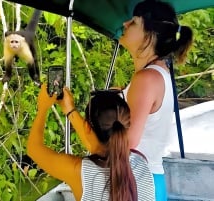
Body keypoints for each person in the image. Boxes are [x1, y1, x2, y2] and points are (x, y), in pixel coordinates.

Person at [61, 1, 193, 200]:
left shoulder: (146, 79)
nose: (124, 25)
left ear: (150, 34)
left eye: (133, 23)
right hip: (145, 180)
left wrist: (70, 111)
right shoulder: (156, 74)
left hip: (138, 184)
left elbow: (124, 144)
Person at [27, 83, 155, 201]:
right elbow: (98, 146)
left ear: (87, 127)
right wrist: (70, 111)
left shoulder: (80, 172)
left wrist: (42, 108)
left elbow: (34, 149)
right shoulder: (141, 164)